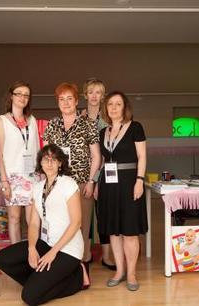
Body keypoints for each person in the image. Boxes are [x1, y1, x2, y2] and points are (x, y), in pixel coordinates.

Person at [0, 144, 90, 306]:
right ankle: (42, 281)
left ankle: (78, 278)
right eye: (46, 159)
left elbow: (76, 223)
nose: (50, 162)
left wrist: (53, 253)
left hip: (68, 250)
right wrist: (32, 248)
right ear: (41, 163)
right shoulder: (37, 188)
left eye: (54, 159)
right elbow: (33, 223)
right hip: (46, 243)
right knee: (2, 259)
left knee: (29, 297)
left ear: (60, 163)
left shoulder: (68, 184)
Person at [43, 82, 101, 265]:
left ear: (76, 101)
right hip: (58, 185)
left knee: (81, 226)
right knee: (60, 225)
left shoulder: (88, 124)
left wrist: (92, 182)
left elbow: (96, 156)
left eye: (69, 98)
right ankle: (62, 263)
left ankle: (82, 263)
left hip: (82, 184)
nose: (66, 103)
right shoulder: (52, 124)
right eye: (62, 99)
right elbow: (47, 155)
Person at [95, 91, 147, 291]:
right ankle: (119, 270)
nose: (114, 108)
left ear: (125, 107)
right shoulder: (103, 132)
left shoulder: (135, 127)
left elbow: (142, 156)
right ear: (106, 108)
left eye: (118, 104)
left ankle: (132, 273)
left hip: (130, 182)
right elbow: (102, 162)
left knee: (130, 231)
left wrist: (140, 181)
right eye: (110, 104)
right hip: (109, 184)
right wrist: (98, 183)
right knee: (114, 231)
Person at [0, 81, 40, 244]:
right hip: (12, 177)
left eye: (26, 95)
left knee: (33, 220)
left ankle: (33, 253)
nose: (22, 97)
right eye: (19, 93)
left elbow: (36, 148)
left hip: (32, 176)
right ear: (11, 96)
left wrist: (40, 174)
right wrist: (3, 180)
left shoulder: (32, 120)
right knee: (14, 218)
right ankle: (16, 257)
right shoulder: (1, 121)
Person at [81, 78, 116, 270]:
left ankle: (107, 256)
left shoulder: (108, 121)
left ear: (103, 96)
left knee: (104, 216)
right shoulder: (80, 118)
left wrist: (95, 180)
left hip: (103, 175)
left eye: (98, 93)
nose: (94, 96)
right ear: (85, 95)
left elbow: (105, 153)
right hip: (82, 175)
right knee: (85, 215)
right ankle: (85, 253)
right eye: (91, 92)